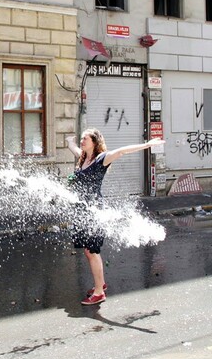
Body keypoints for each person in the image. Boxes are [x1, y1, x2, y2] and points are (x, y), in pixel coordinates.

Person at [65, 129, 165, 305]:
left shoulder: (102, 158)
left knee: (93, 251)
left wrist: (147, 145)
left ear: (94, 141)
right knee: (89, 251)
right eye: (81, 138)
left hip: (93, 211)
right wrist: (70, 141)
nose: (82, 141)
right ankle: (100, 284)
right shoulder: (83, 158)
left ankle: (98, 293)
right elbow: (73, 148)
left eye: (85, 139)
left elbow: (122, 151)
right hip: (82, 210)